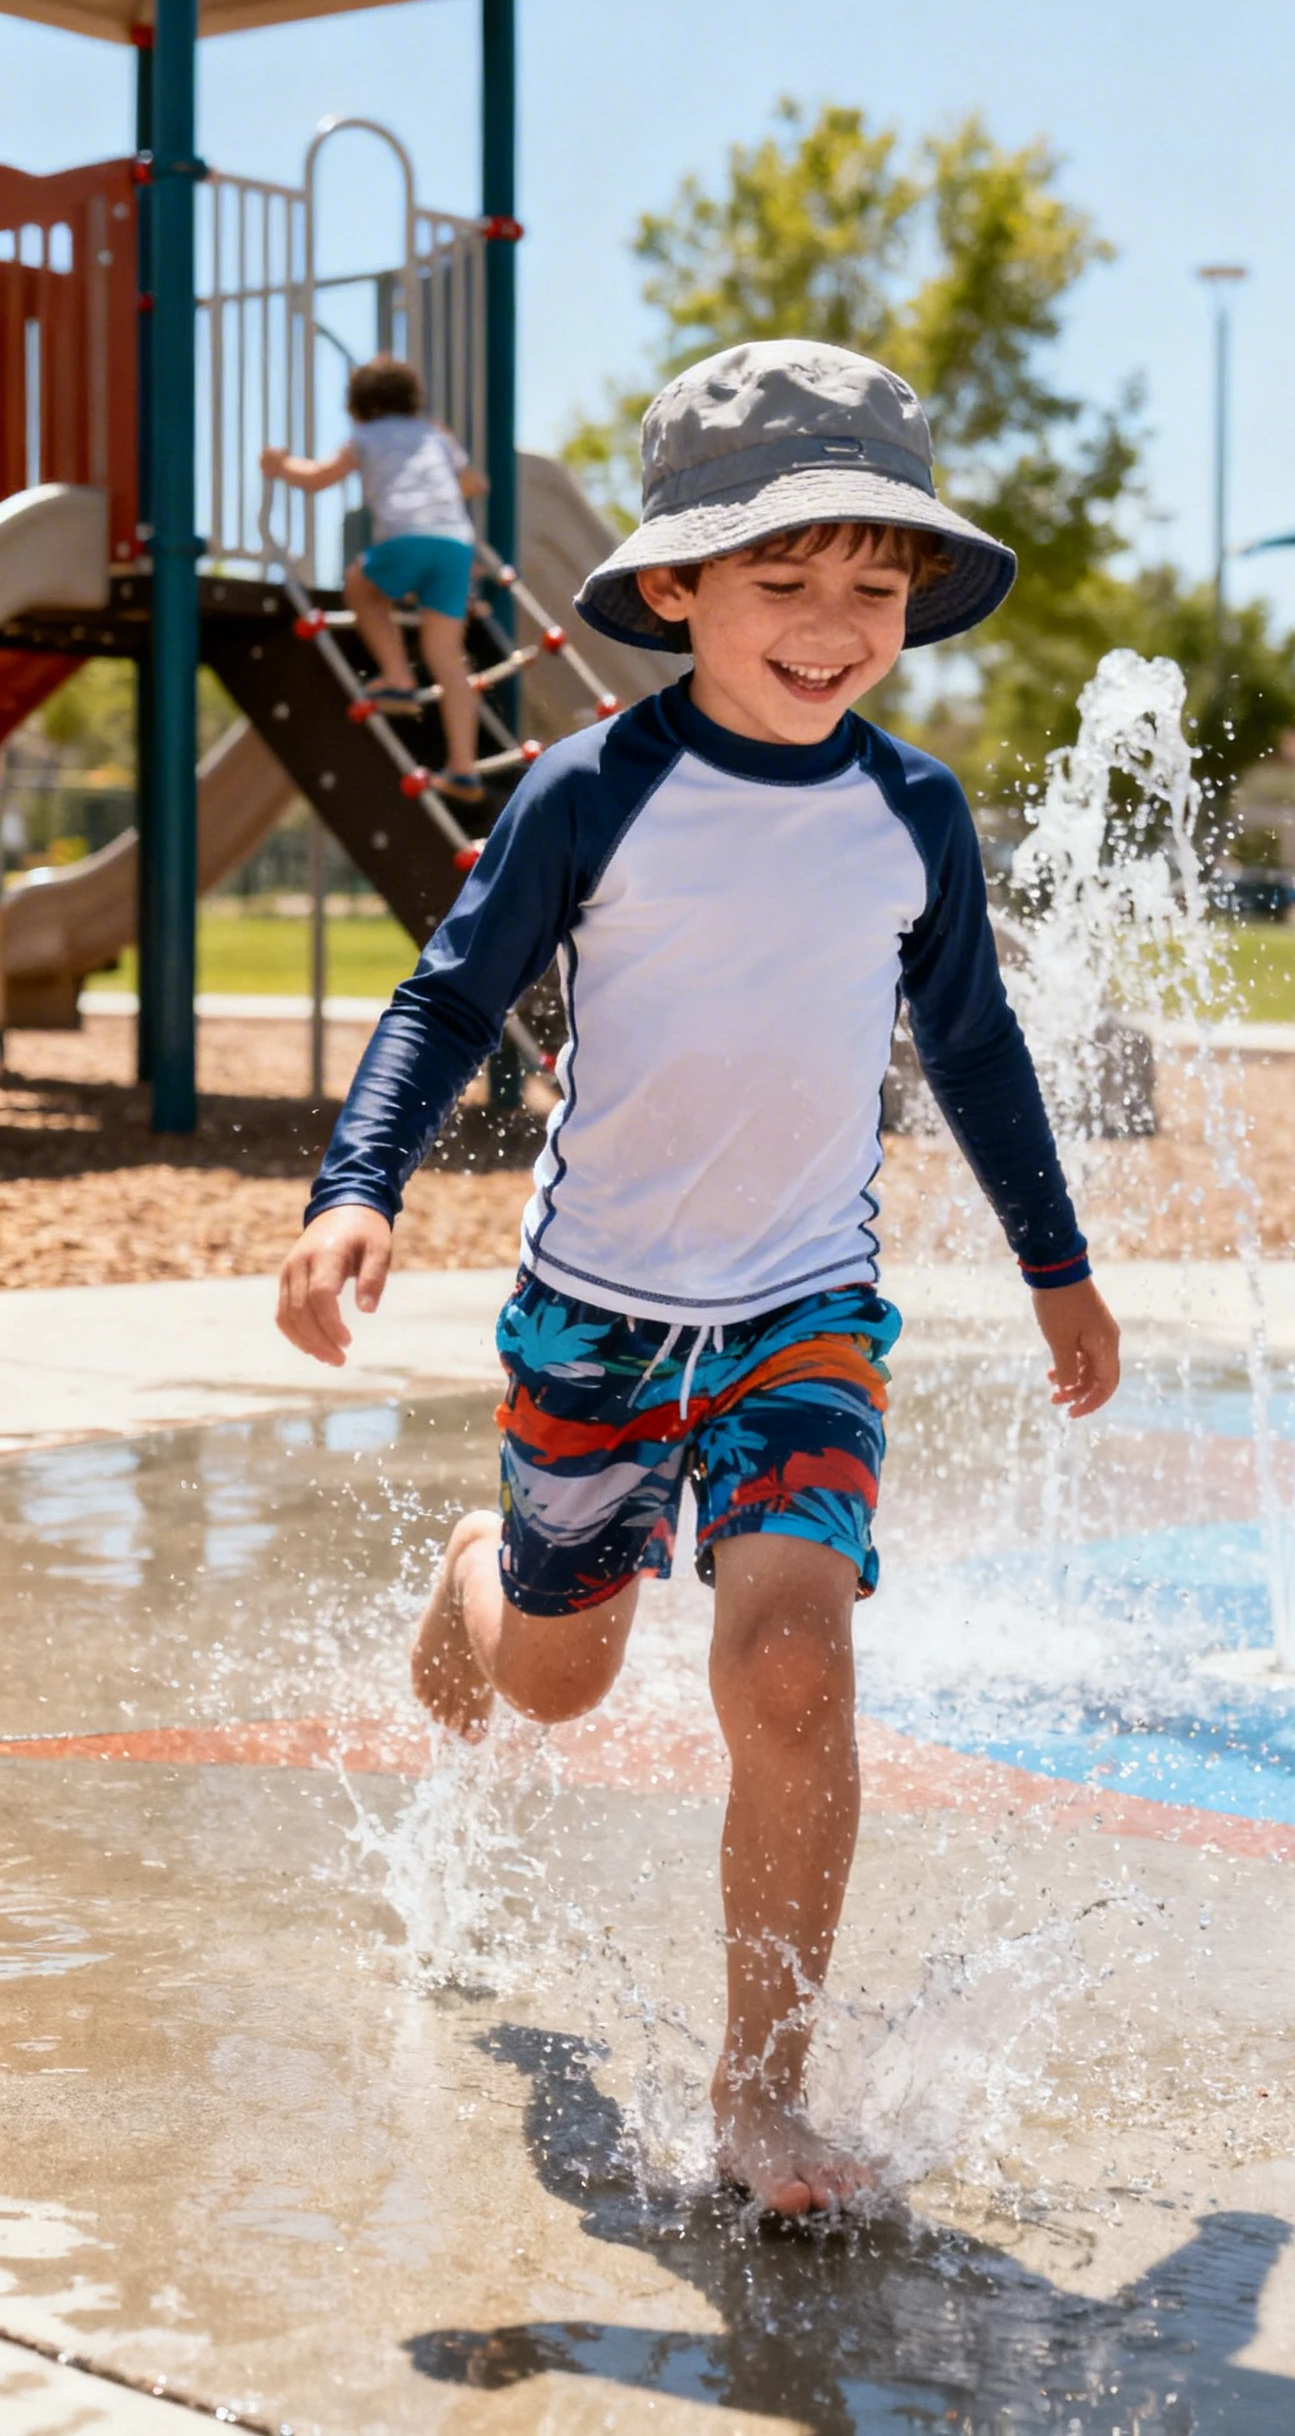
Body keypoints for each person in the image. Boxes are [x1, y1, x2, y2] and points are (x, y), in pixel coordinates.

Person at [275, 339, 1121, 2218]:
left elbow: (974, 1050)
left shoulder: (913, 816)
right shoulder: (596, 790)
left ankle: (762, 2102)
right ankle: (478, 1581)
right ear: (676, 587)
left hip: (806, 1314)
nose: (831, 627)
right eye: (782, 582)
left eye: (873, 588)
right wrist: (360, 1189)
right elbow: (448, 996)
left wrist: (1058, 1268)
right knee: (562, 1687)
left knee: (798, 1666)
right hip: (597, 1315)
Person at [259, 356, 489, 803]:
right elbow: (474, 483)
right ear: (411, 399)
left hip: (403, 538)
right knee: (446, 655)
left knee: (362, 587)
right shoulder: (434, 434)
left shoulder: (364, 437)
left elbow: (317, 479)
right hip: (455, 543)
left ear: (357, 406)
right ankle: (463, 768)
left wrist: (280, 465)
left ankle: (398, 676)